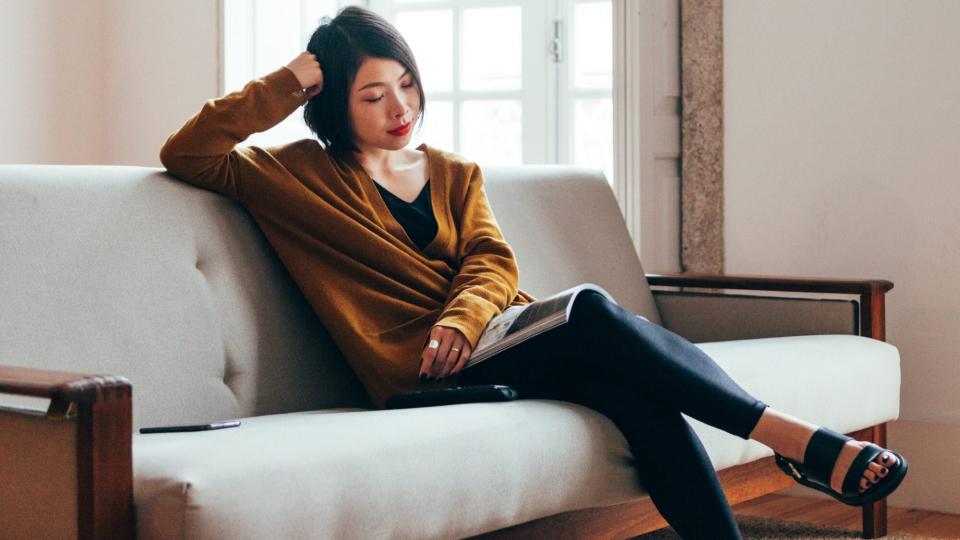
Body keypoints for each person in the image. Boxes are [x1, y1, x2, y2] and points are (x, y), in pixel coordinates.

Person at [159, 6, 907, 539]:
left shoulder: (453, 171)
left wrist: (462, 317)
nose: (400, 108)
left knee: (639, 401)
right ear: (330, 104)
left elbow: (490, 259)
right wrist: (288, 78)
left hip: (492, 335)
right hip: (422, 374)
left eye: (407, 85)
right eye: (373, 94)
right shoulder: (294, 177)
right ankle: (798, 441)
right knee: (587, 309)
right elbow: (187, 152)